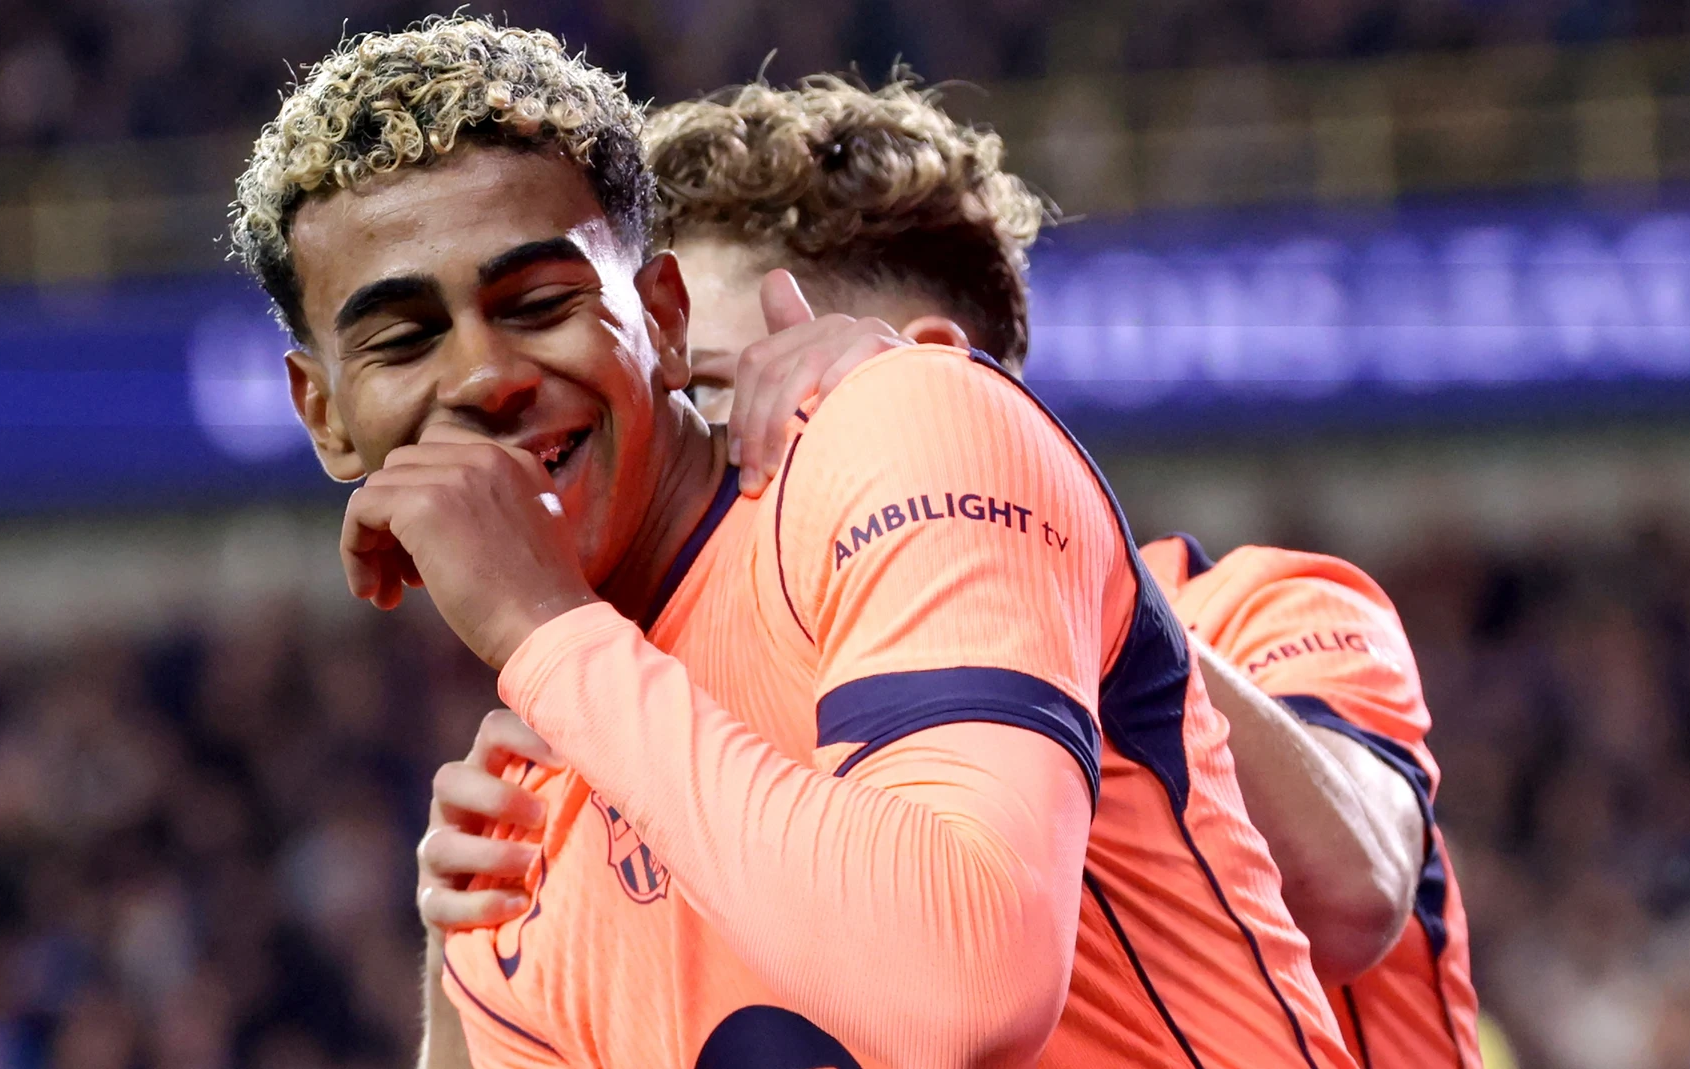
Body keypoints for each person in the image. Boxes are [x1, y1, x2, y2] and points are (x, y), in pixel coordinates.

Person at [422, 76, 1480, 1067]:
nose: (674, 449)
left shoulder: (1262, 605)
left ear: (927, 357)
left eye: (708, 396)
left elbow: (1354, 892)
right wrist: (475, 932)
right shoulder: (670, 711)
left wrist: (1080, 602)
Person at [232, 18, 1108, 1067]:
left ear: (662, 318)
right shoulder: (516, 835)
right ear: (325, 415)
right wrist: (458, 984)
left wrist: (544, 629)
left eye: (539, 303)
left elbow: (968, 991)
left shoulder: (889, 430)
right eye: (406, 338)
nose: (484, 377)